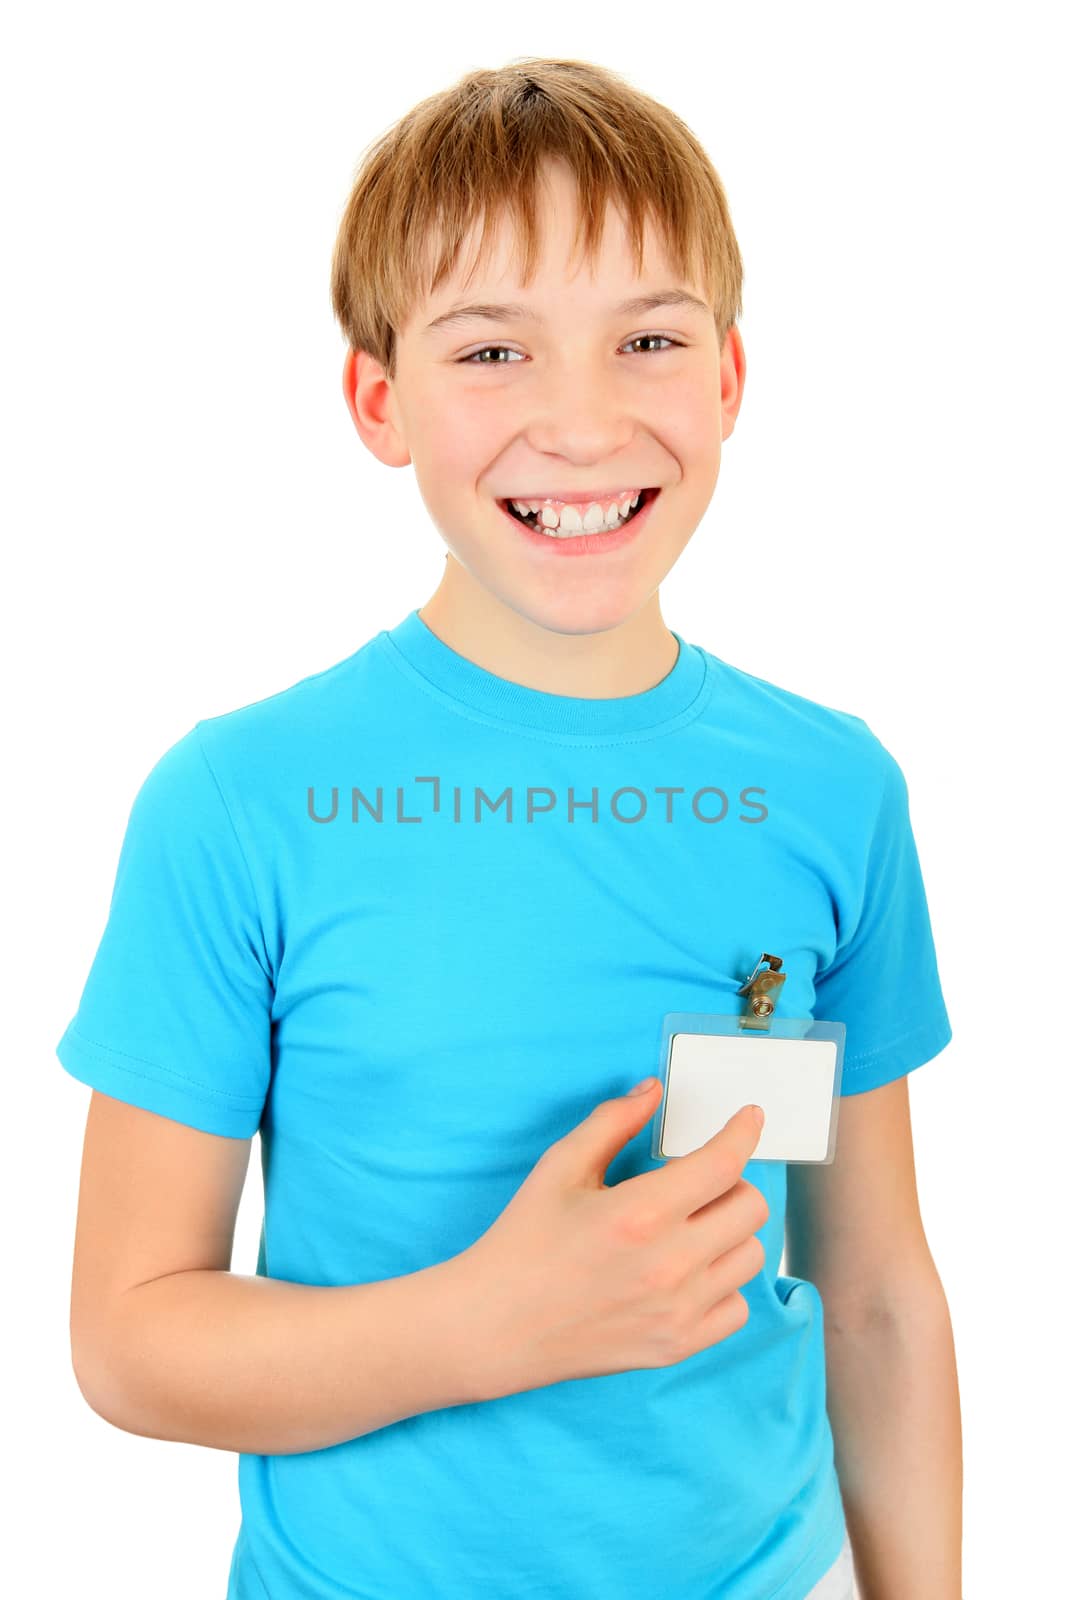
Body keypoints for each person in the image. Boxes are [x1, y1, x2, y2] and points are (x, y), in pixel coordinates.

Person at [58, 56, 962, 1600]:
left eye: (650, 340)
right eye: (493, 350)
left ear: (730, 379)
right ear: (377, 398)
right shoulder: (237, 803)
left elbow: (873, 1290)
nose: (584, 419)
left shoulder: (834, 788)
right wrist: (494, 1324)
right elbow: (130, 1341)